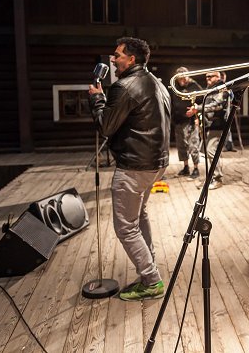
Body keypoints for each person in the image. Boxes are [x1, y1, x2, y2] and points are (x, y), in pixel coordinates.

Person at [89, 37, 171, 301]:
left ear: (131, 59)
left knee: (126, 227)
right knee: (140, 216)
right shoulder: (158, 84)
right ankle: (150, 269)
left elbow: (105, 127)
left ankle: (151, 280)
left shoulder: (123, 86)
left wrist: (97, 99)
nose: (112, 60)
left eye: (117, 55)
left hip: (134, 165)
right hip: (156, 164)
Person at [186, 70, 229, 190]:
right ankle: (213, 176)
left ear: (218, 77)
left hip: (217, 124)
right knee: (208, 152)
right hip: (211, 124)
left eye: (211, 76)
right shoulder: (212, 88)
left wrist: (198, 108)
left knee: (211, 151)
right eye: (206, 76)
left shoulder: (221, 88)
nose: (208, 78)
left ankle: (217, 178)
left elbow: (217, 105)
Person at [171, 66, 202, 179]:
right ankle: (185, 167)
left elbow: (201, 102)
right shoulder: (175, 87)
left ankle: (196, 168)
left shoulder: (195, 86)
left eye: (184, 78)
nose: (182, 81)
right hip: (178, 121)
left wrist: (195, 111)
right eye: (180, 79)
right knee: (181, 146)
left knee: (193, 145)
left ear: (188, 76)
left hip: (191, 121)